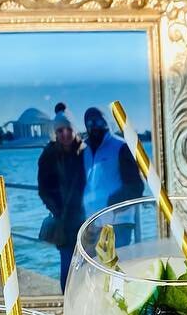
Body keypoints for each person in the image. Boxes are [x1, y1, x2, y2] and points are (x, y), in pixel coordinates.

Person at [81, 106, 145, 246]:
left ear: (107, 122)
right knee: (92, 266)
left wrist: (112, 203)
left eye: (99, 121)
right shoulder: (82, 149)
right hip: (91, 223)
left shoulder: (121, 147)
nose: (95, 126)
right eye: (90, 123)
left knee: (117, 266)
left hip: (119, 223)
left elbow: (136, 187)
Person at [35, 104, 85, 283]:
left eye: (68, 129)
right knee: (68, 268)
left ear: (74, 130)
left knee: (90, 267)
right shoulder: (48, 155)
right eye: (60, 130)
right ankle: (67, 305)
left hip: (87, 217)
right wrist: (58, 210)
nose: (65, 134)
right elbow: (43, 188)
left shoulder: (85, 151)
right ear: (55, 133)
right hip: (64, 221)